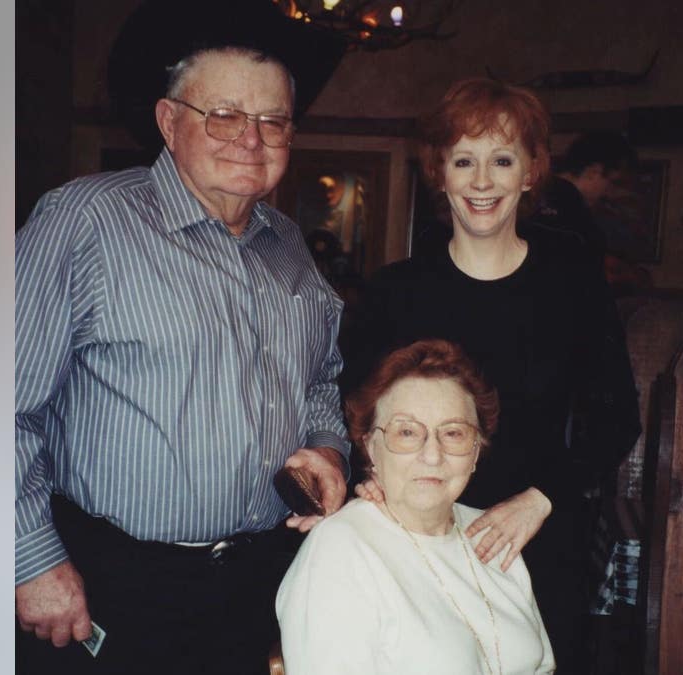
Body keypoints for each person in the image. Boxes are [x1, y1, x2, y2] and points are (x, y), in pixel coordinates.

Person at [14, 45, 349, 675]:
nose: (251, 138)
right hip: (109, 583)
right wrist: (28, 558)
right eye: (224, 114)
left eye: (273, 121)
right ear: (170, 122)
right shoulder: (86, 220)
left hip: (256, 585)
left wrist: (327, 447)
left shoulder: (288, 245)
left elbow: (322, 379)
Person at [340, 78, 641, 674]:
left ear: (531, 173)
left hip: (537, 543)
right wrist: (367, 474)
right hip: (420, 540)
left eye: (502, 160)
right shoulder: (394, 291)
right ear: (441, 173)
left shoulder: (573, 285)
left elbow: (616, 419)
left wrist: (540, 500)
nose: (482, 182)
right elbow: (352, 408)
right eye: (464, 161)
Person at [277, 339, 555, 675]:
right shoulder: (340, 549)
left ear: (477, 451)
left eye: (453, 433)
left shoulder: (494, 532)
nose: (432, 455)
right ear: (371, 448)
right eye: (406, 432)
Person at [536, 130, 652, 290]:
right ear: (593, 172)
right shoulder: (541, 199)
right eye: (614, 182)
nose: (612, 193)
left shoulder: (582, 210)